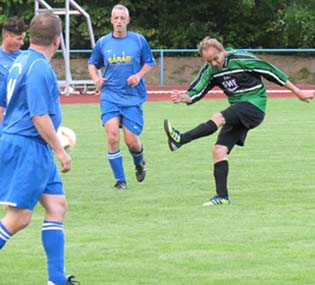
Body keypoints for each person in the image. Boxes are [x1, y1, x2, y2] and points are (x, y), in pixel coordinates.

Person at [164, 37, 314, 206]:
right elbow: (197, 90)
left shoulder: (241, 59)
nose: (213, 63)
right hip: (238, 110)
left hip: (254, 107)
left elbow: (271, 72)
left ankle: (181, 139)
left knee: (218, 117)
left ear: (223, 51)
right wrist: (184, 97)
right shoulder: (211, 69)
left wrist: (298, 92)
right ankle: (222, 196)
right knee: (219, 150)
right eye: (209, 60)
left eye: (215, 58)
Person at [0, 13, 79, 285]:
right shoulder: (39, 68)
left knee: (57, 206)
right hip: (29, 148)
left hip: (32, 146)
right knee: (19, 217)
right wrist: (61, 149)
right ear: (58, 40)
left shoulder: (20, 61)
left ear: (31, 36)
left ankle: (56, 280)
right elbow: (38, 116)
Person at [88, 4, 156, 189]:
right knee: (111, 135)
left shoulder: (139, 41)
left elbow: (149, 62)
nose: (119, 22)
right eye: (116, 18)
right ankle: (120, 180)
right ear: (111, 20)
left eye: (122, 18)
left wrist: (138, 76)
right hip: (109, 95)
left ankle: (139, 162)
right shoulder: (103, 43)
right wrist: (96, 79)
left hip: (132, 97)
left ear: (128, 21)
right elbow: (92, 64)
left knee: (131, 141)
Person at [0, 17, 28, 136]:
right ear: (7, 36)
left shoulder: (26, 58)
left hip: (22, 121)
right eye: (19, 39)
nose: (22, 43)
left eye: (23, 39)